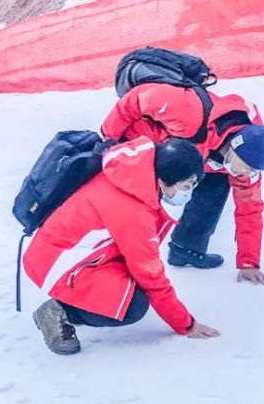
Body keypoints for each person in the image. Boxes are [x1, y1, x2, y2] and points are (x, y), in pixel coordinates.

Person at [24, 137, 221, 355]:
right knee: (132, 305)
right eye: (185, 186)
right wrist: (186, 324)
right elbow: (151, 275)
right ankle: (59, 312)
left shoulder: (131, 175)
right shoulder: (132, 209)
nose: (188, 193)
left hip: (70, 250)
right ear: (164, 181)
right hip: (58, 261)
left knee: (130, 285)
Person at [101, 84, 264, 284]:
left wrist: (249, 262)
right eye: (246, 166)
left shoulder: (247, 156)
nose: (247, 173)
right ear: (235, 145)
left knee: (218, 181)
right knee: (141, 201)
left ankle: (185, 248)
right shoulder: (190, 114)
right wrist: (109, 139)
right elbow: (137, 98)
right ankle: (119, 258)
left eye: (254, 171)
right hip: (139, 145)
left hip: (186, 155)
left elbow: (250, 210)